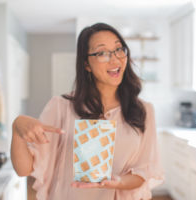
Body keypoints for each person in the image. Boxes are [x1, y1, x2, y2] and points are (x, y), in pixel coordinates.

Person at [11, 22, 163, 200]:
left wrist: (117, 182)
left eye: (118, 49)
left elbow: (143, 172)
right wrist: (17, 127)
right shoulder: (60, 107)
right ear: (86, 64)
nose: (114, 59)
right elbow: (23, 170)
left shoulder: (144, 111)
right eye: (102, 53)